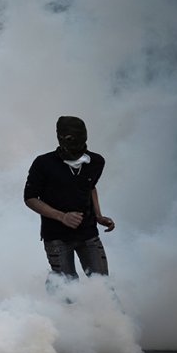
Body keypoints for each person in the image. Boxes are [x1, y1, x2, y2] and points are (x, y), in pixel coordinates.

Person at [23, 116, 115, 286]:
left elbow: (90, 187)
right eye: (70, 141)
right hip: (56, 236)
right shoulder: (43, 163)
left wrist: (99, 216)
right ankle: (54, 290)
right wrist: (62, 216)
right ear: (60, 138)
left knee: (102, 284)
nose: (76, 147)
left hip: (88, 233)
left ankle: (104, 307)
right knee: (67, 289)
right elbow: (30, 198)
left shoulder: (96, 162)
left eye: (79, 141)